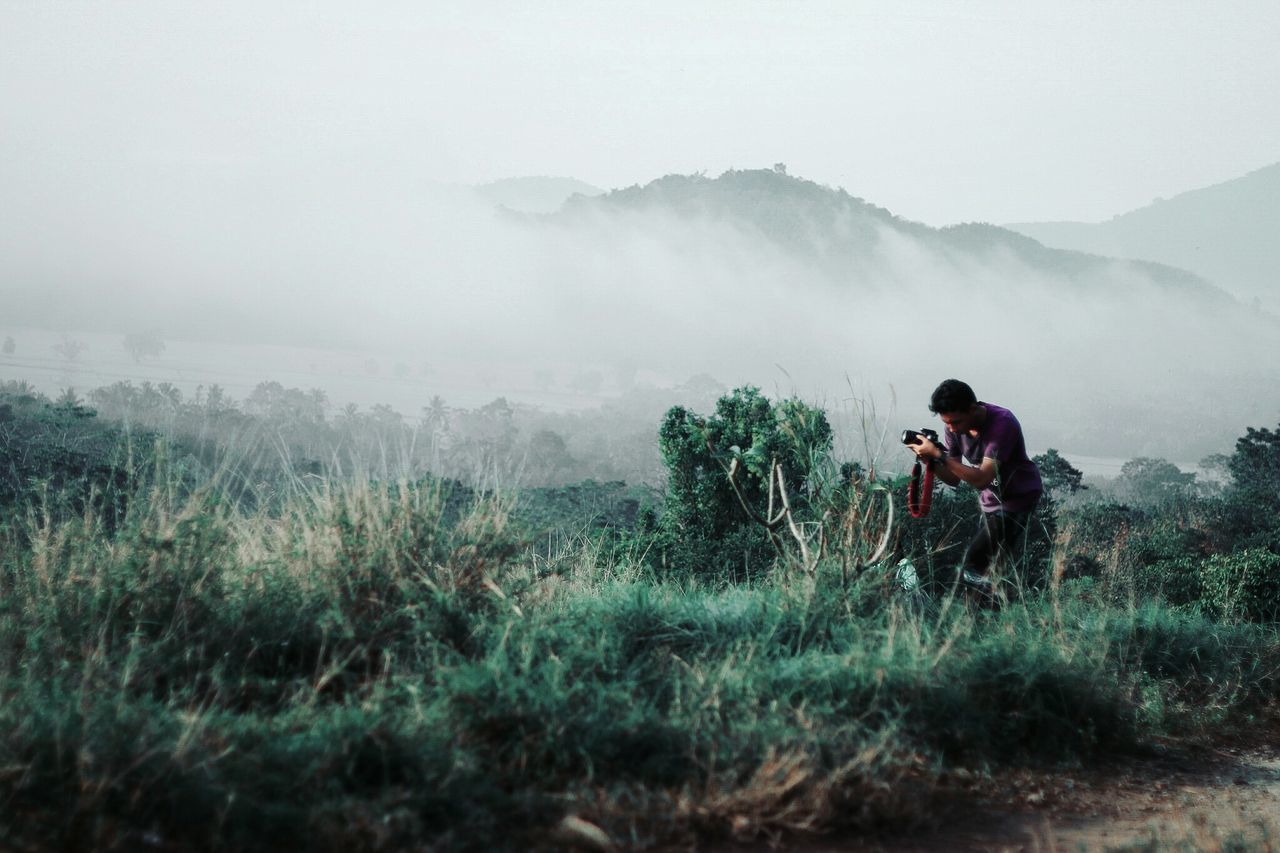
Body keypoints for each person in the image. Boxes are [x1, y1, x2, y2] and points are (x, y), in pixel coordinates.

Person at [907, 379, 1043, 599]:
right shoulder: (954, 426)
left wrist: (939, 455)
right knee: (989, 571)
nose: (951, 428)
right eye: (947, 423)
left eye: (955, 422)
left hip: (1018, 499)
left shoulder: (1002, 424)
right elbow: (953, 478)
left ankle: (1000, 607)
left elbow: (981, 479)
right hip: (991, 502)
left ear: (972, 408)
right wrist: (928, 460)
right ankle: (995, 616)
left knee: (974, 563)